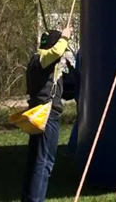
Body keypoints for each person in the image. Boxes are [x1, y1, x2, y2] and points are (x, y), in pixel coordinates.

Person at [21, 25, 73, 202]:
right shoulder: (44, 59)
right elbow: (56, 51)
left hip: (38, 113)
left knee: (34, 161)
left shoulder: (36, 60)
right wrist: (65, 36)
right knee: (44, 162)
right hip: (48, 115)